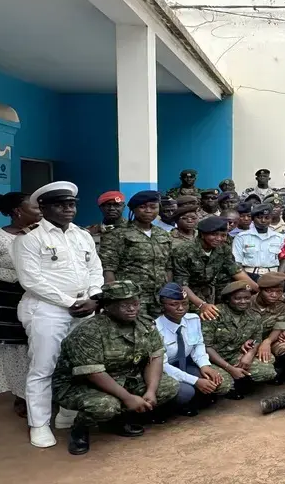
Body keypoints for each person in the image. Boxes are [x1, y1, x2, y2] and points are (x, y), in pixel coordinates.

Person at [13, 180, 102, 449]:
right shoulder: (29, 238)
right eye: (60, 205)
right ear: (43, 208)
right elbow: (32, 280)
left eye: (71, 204)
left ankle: (67, 413)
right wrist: (71, 302)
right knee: (43, 367)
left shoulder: (82, 235)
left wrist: (94, 297)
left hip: (84, 307)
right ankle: (38, 424)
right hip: (47, 311)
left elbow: (95, 269)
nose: (68, 209)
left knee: (78, 365)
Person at [52, 281, 180, 455]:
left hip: (125, 377)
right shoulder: (89, 331)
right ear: (108, 306)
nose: (132, 309)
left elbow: (155, 357)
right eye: (124, 305)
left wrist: (150, 390)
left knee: (168, 386)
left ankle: (118, 420)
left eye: (135, 303)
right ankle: (80, 429)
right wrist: (128, 398)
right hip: (82, 384)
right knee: (105, 405)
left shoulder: (144, 324)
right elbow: (93, 373)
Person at [0, 192, 41, 418]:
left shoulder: (44, 236)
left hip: (39, 300)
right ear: (17, 211)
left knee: (39, 349)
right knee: (16, 352)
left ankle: (40, 394)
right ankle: (23, 396)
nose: (39, 210)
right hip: (7, 302)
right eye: (34, 207)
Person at [153, 283, 231, 415]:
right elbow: (163, 366)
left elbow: (198, 345)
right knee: (186, 392)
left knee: (221, 382)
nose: (181, 308)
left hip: (185, 364)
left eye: (185, 303)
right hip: (164, 370)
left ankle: (197, 400)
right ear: (162, 306)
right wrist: (195, 381)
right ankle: (163, 411)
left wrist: (205, 365)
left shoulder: (193, 320)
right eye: (174, 304)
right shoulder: (155, 329)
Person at [99, 190, 173, 320]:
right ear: (133, 209)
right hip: (132, 298)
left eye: (153, 207)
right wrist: (113, 298)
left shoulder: (163, 234)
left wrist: (168, 292)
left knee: (159, 335)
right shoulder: (118, 234)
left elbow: (168, 266)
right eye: (143, 207)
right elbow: (108, 268)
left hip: (159, 298)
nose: (148, 211)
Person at [202, 281, 278, 399]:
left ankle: (239, 382)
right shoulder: (214, 314)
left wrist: (249, 355)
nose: (243, 302)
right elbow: (206, 347)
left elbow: (256, 340)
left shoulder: (254, 316)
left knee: (266, 372)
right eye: (238, 298)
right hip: (212, 359)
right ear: (228, 299)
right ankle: (228, 384)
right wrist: (229, 368)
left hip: (235, 355)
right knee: (223, 385)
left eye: (247, 298)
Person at [172, 215, 257, 317]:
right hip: (188, 296)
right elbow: (181, 284)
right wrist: (202, 305)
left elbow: (236, 271)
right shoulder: (183, 251)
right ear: (202, 235)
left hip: (212, 292)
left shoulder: (223, 249)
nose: (219, 239)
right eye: (214, 234)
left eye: (223, 235)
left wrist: (257, 289)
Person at [248, 272, 285, 362]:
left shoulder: (282, 305)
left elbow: (279, 326)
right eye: (269, 291)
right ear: (260, 289)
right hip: (247, 341)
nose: (274, 295)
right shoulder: (246, 303)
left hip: (268, 338)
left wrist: (268, 341)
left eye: (279, 292)